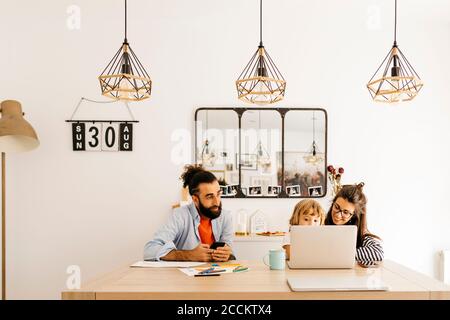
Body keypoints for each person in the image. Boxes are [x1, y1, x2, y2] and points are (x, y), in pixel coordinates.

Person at [143, 165, 234, 262]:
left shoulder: (225, 217)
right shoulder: (180, 215)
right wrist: (188, 255)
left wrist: (227, 255)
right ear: (195, 199)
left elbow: (231, 255)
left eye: (218, 194)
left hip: (216, 274)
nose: (217, 202)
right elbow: (149, 251)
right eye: (209, 196)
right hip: (183, 276)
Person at [324, 182, 383, 264]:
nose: (338, 215)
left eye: (345, 212)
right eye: (336, 207)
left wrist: (339, 254)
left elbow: (378, 252)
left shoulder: (360, 236)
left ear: (354, 216)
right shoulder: (320, 225)